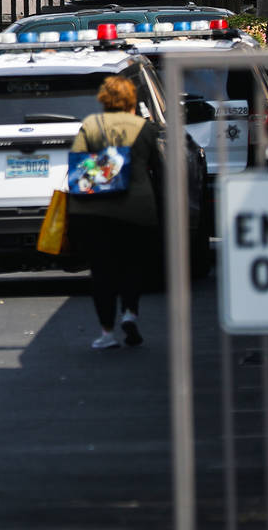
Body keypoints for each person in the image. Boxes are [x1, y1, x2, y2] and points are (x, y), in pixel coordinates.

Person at [68, 75, 164, 350]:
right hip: (137, 209)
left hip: (96, 211)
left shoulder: (91, 125)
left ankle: (106, 332)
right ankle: (130, 313)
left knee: (102, 271)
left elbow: (78, 168)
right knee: (133, 265)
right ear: (131, 100)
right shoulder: (145, 128)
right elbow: (159, 169)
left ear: (104, 100)